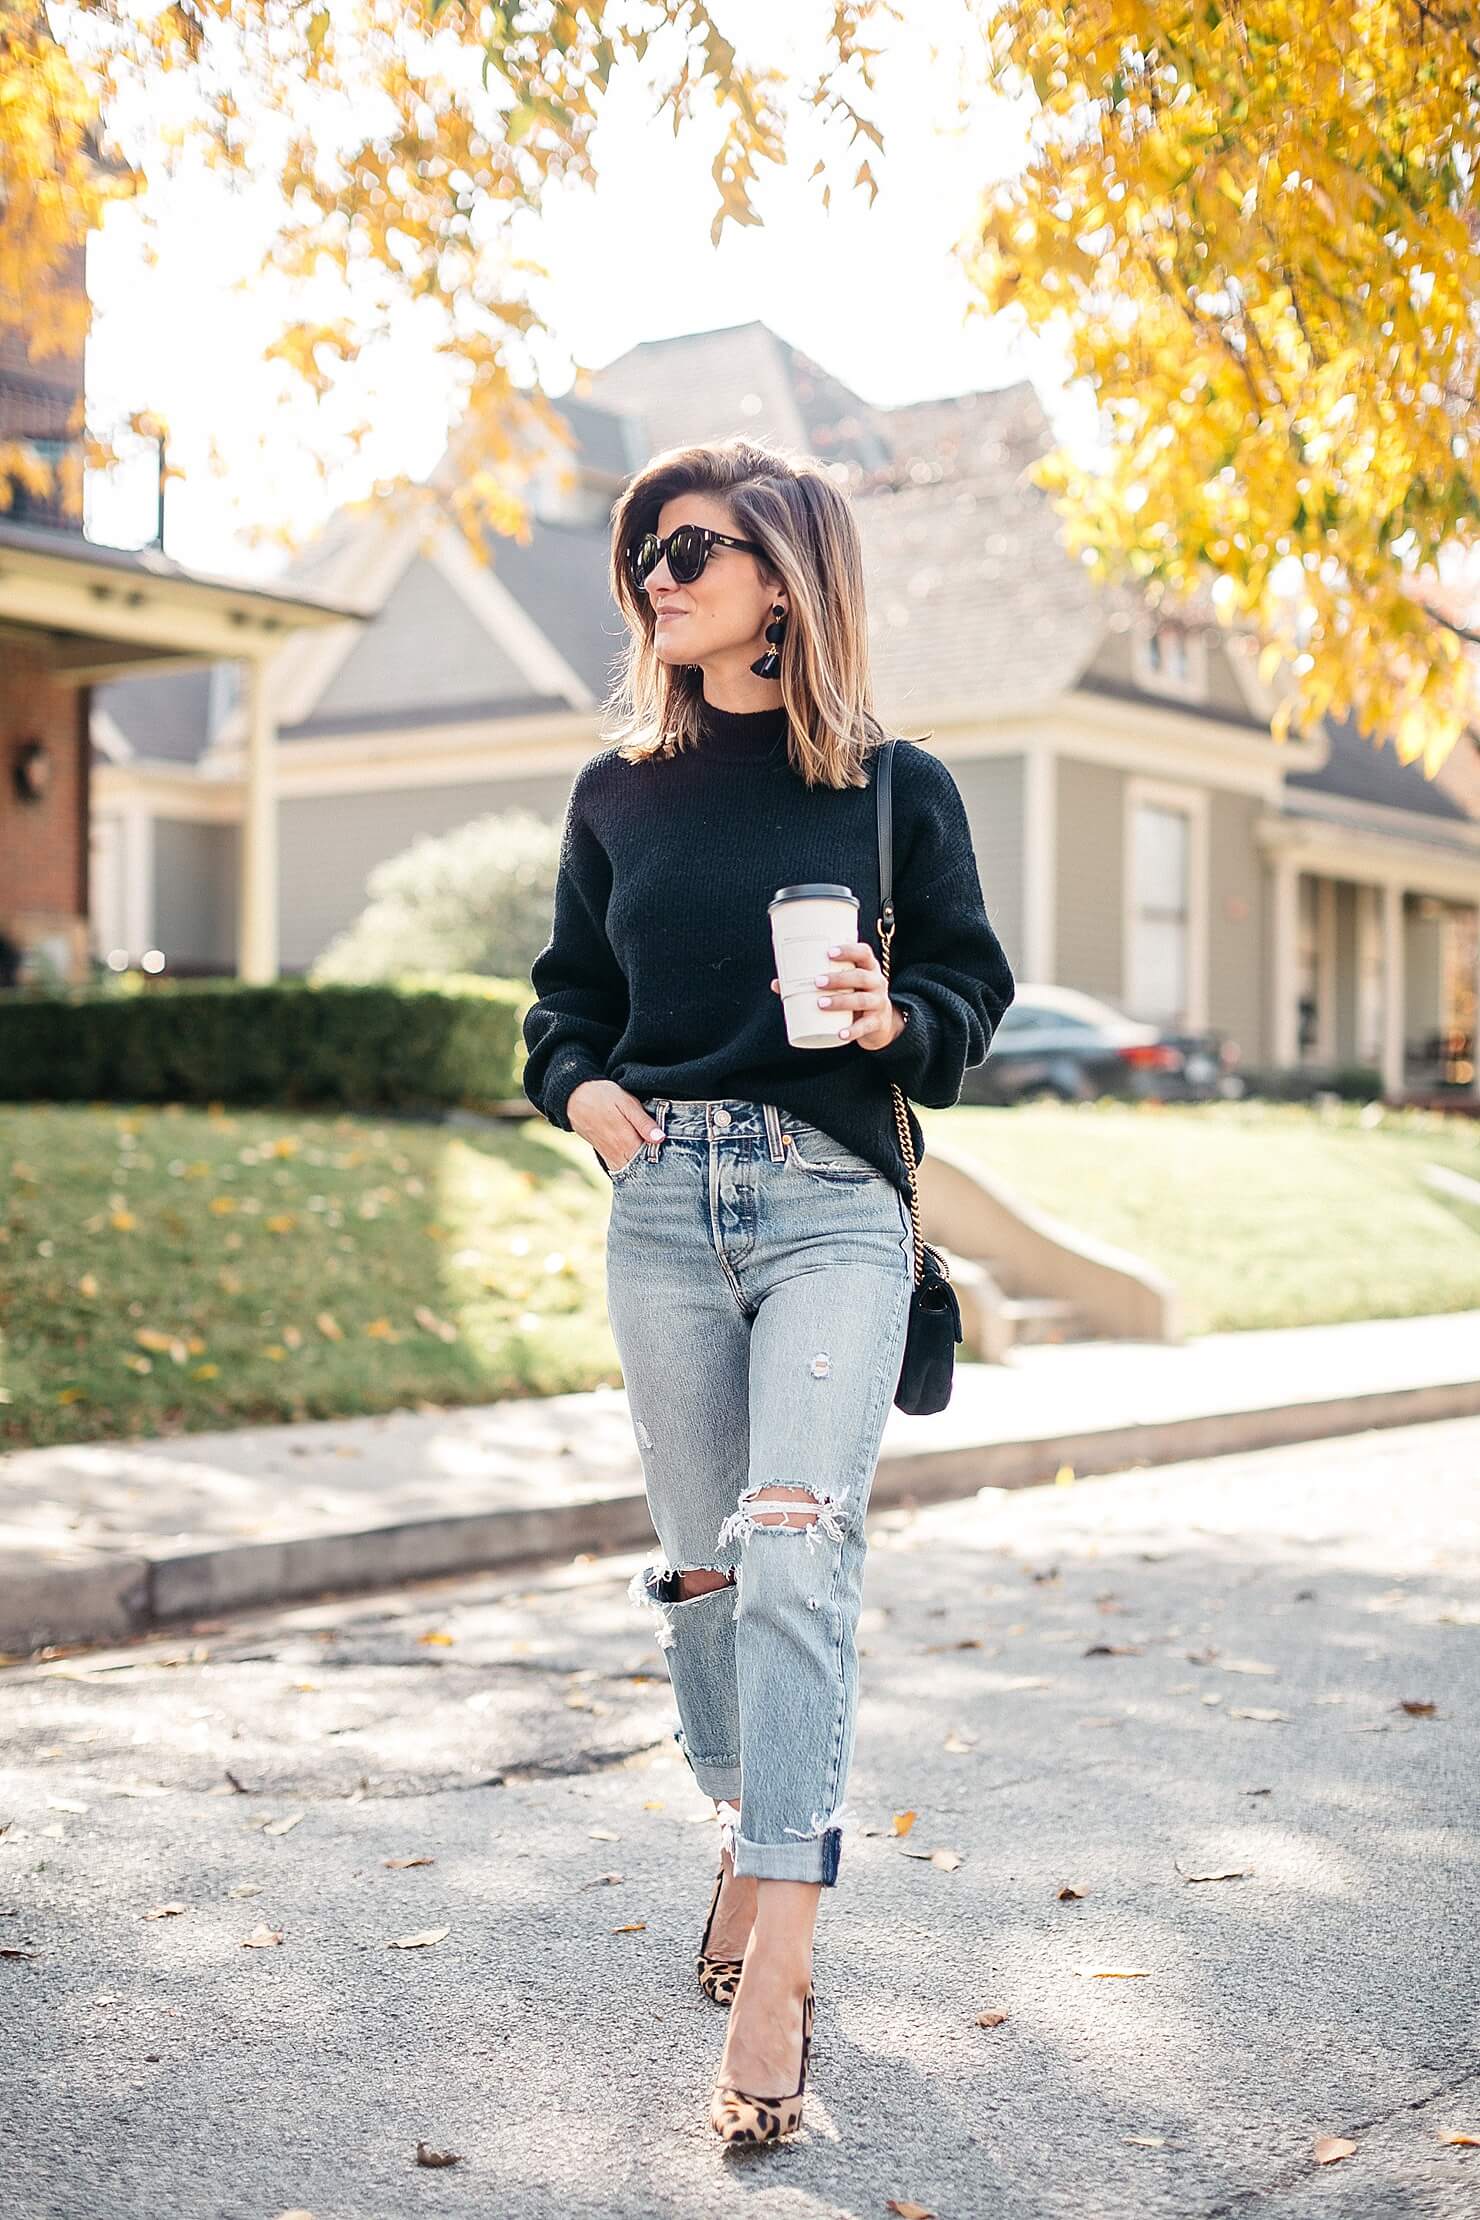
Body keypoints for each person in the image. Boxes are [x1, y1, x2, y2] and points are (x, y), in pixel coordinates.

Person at [521, 437, 1015, 2143]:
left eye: (698, 548)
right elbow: (564, 1004)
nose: (661, 574)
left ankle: (786, 1954)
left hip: (828, 1203)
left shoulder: (891, 785)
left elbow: (970, 979)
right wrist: (584, 1097)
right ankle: (742, 1818)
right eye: (648, 550)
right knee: (705, 1565)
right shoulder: (616, 790)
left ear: (787, 580)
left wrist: (899, 1020)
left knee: (797, 1534)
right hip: (664, 1205)